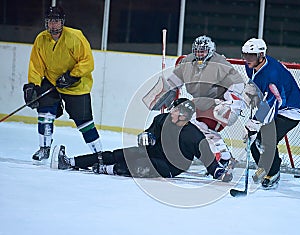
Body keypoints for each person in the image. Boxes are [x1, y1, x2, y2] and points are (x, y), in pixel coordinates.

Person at [54, 98, 232, 182]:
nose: (172, 112)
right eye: (172, 109)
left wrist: (221, 174)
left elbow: (210, 161)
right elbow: (149, 134)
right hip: (153, 151)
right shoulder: (161, 119)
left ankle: (107, 170)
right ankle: (71, 161)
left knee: (139, 164)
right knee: (117, 154)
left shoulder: (194, 136)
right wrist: (146, 137)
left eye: (176, 110)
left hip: (171, 167)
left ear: (185, 115)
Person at [22, 5, 102, 163]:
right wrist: (33, 85)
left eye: (56, 21)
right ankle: (44, 148)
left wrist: (72, 75)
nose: (53, 25)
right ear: (46, 23)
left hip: (76, 85)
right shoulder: (41, 39)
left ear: (62, 22)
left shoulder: (75, 37)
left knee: (84, 121)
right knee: (44, 112)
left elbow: (88, 62)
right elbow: (36, 66)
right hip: (52, 83)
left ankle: (99, 154)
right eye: (50, 21)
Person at [165, 35, 247, 167]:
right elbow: (174, 80)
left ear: (210, 51)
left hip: (218, 104)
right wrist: (167, 91)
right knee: (189, 124)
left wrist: (229, 103)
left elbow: (238, 84)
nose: (199, 54)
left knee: (200, 127)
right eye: (197, 51)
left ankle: (223, 156)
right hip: (200, 104)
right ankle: (225, 156)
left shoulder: (220, 63)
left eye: (202, 51)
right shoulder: (187, 62)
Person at [241, 38, 300, 189]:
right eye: (245, 55)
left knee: (264, 139)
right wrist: (253, 92)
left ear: (261, 55)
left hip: (290, 111)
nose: (247, 59)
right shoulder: (251, 66)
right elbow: (257, 84)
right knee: (254, 143)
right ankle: (264, 168)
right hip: (274, 104)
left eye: (251, 55)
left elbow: (273, 105)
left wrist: (255, 122)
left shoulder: (273, 75)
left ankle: (273, 172)